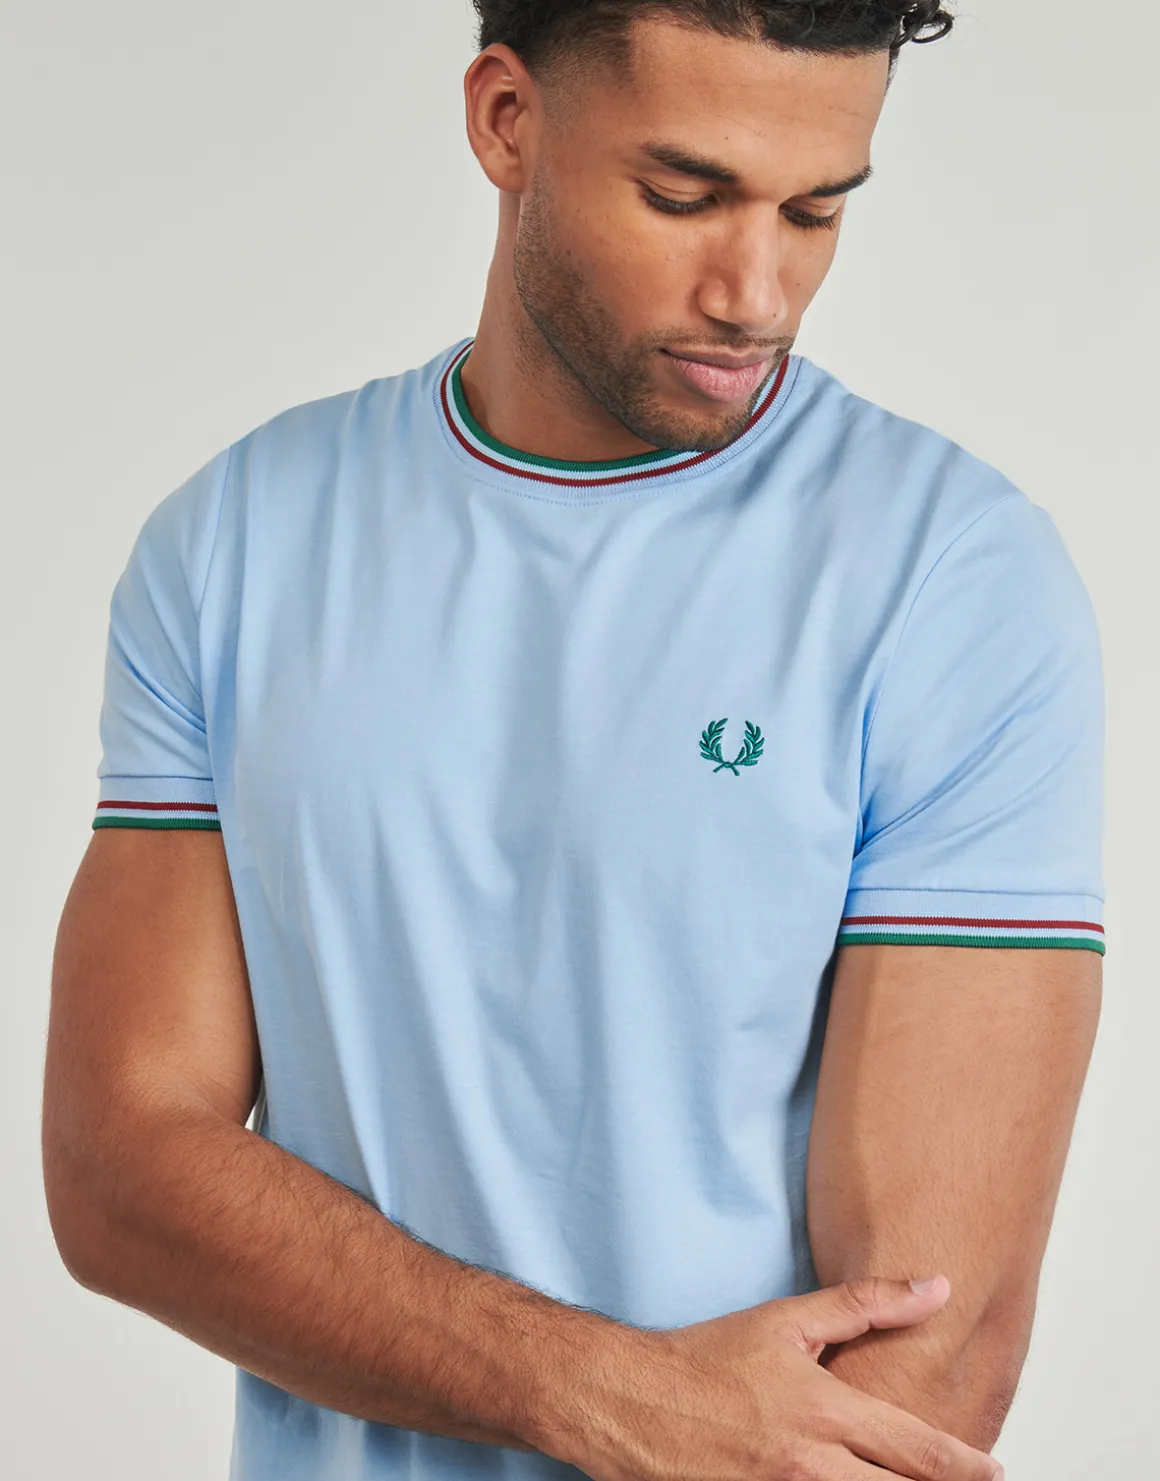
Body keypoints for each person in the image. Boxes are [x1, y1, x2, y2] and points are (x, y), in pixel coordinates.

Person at [41, 3, 1105, 1480]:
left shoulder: (950, 577)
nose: (756, 293)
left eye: (815, 212)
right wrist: (599, 1393)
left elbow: (928, 1360)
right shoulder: (235, 542)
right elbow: (121, 1172)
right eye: (683, 196)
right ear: (506, 121)